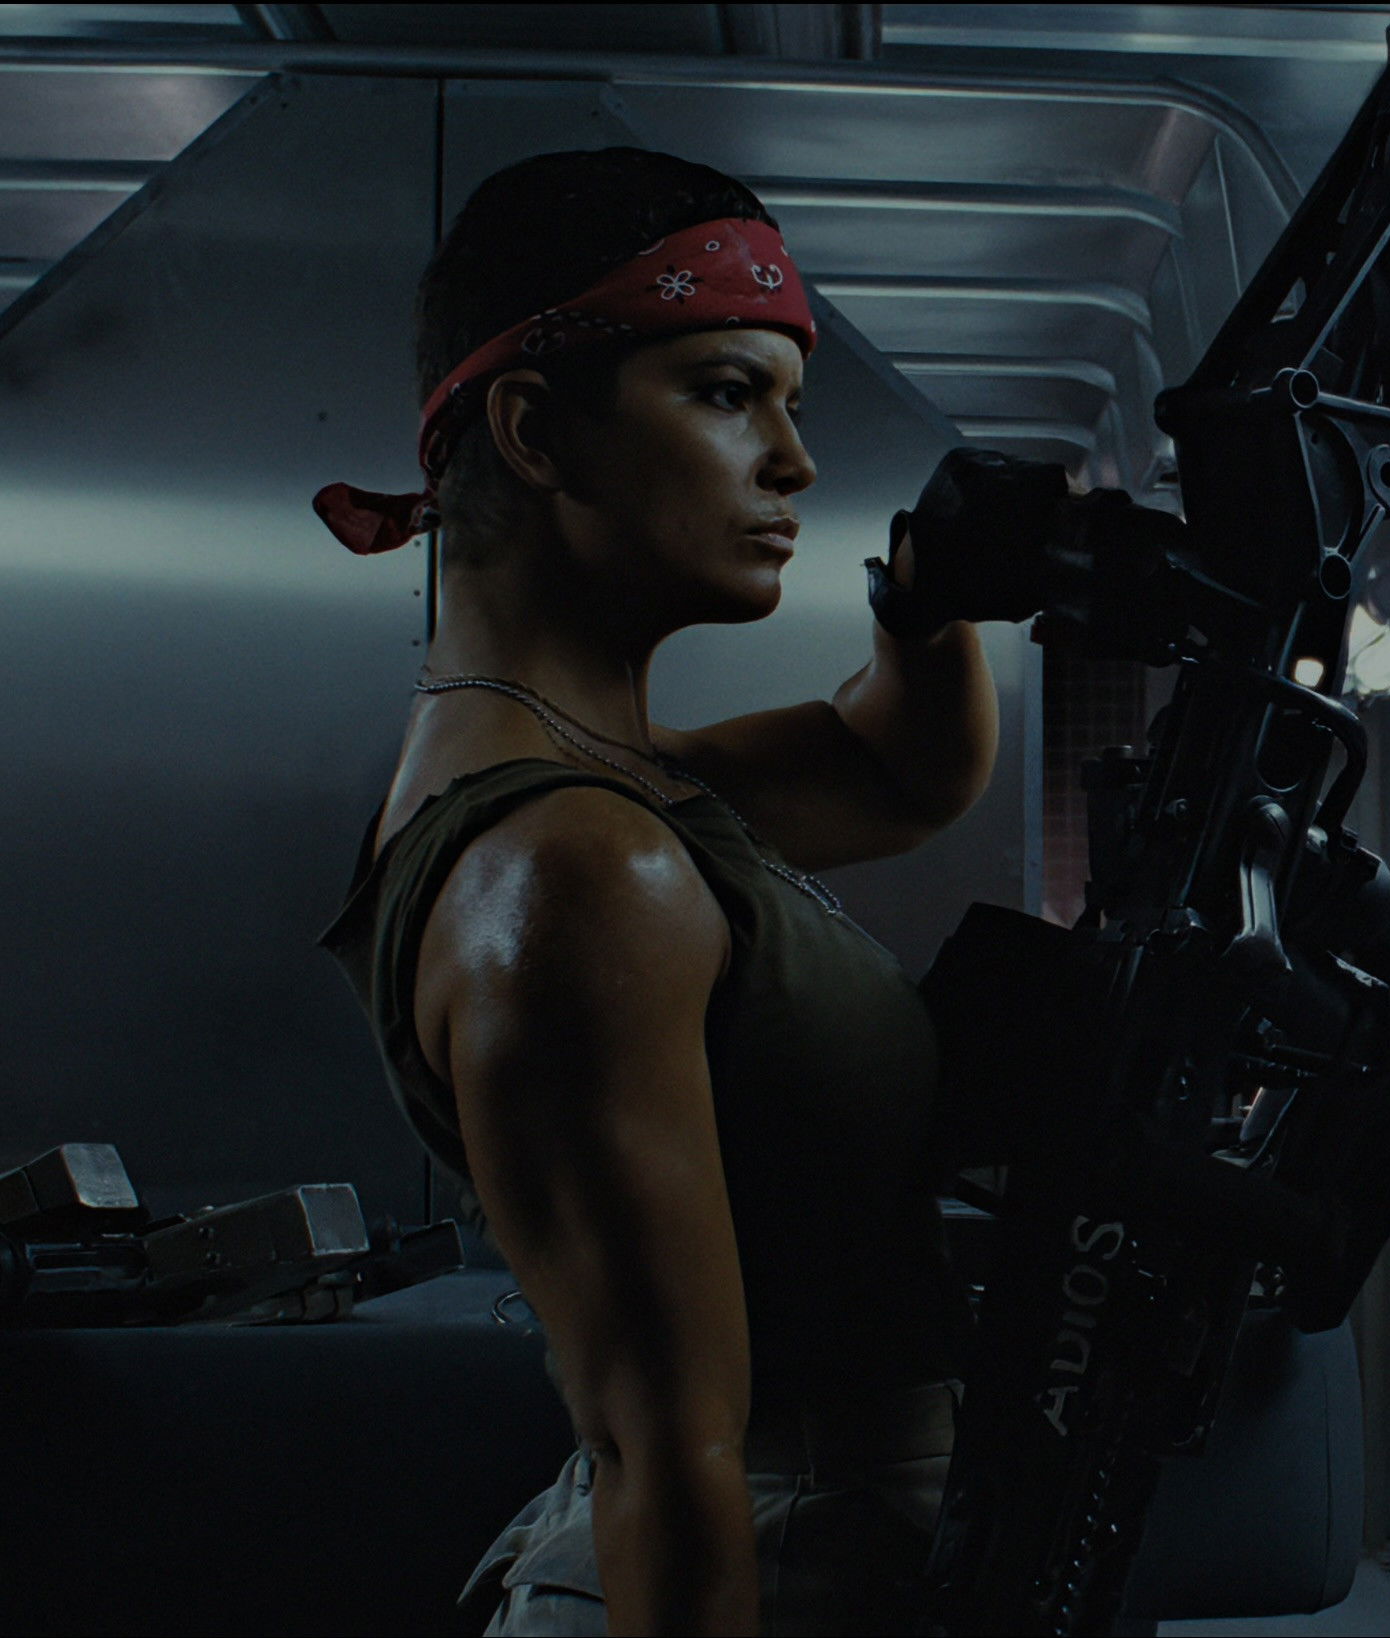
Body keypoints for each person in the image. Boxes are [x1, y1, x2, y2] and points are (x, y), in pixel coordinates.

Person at [318, 148, 1009, 1635]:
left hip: (817, 1533)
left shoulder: (610, 786)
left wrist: (929, 597)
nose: (793, 462)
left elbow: (897, 774)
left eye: (792, 404)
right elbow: (668, 1450)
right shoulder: (578, 866)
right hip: (765, 1551)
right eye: (725, 392)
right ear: (532, 430)